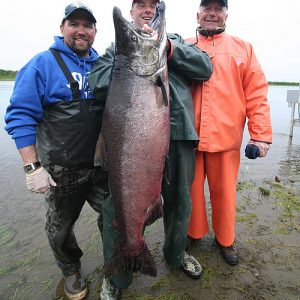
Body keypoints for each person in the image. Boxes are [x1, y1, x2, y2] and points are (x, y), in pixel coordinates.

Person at [88, 0, 213, 299]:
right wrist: (129, 60)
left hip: (179, 136)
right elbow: (96, 82)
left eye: (153, 5)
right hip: (129, 146)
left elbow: (205, 68)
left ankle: (175, 255)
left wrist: (168, 48)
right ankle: (117, 277)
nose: (147, 9)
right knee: (115, 209)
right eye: (140, 4)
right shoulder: (116, 49)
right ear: (132, 12)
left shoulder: (176, 43)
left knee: (180, 202)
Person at [4, 3, 108, 299]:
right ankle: (71, 269)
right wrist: (32, 167)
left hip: (102, 166)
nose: (81, 31)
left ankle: (117, 261)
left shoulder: (103, 65)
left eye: (87, 25)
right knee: (59, 228)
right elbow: (20, 116)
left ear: (95, 32)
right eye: (74, 24)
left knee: (116, 215)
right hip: (62, 169)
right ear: (62, 28)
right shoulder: (41, 64)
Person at [186, 0, 272, 266]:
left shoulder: (243, 49)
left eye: (218, 9)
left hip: (226, 139)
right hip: (188, 139)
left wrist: (259, 135)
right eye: (207, 8)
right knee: (189, 192)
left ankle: (225, 240)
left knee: (225, 193)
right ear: (198, 13)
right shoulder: (181, 47)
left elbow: (256, 94)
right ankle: (194, 233)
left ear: (226, 14)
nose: (213, 13)